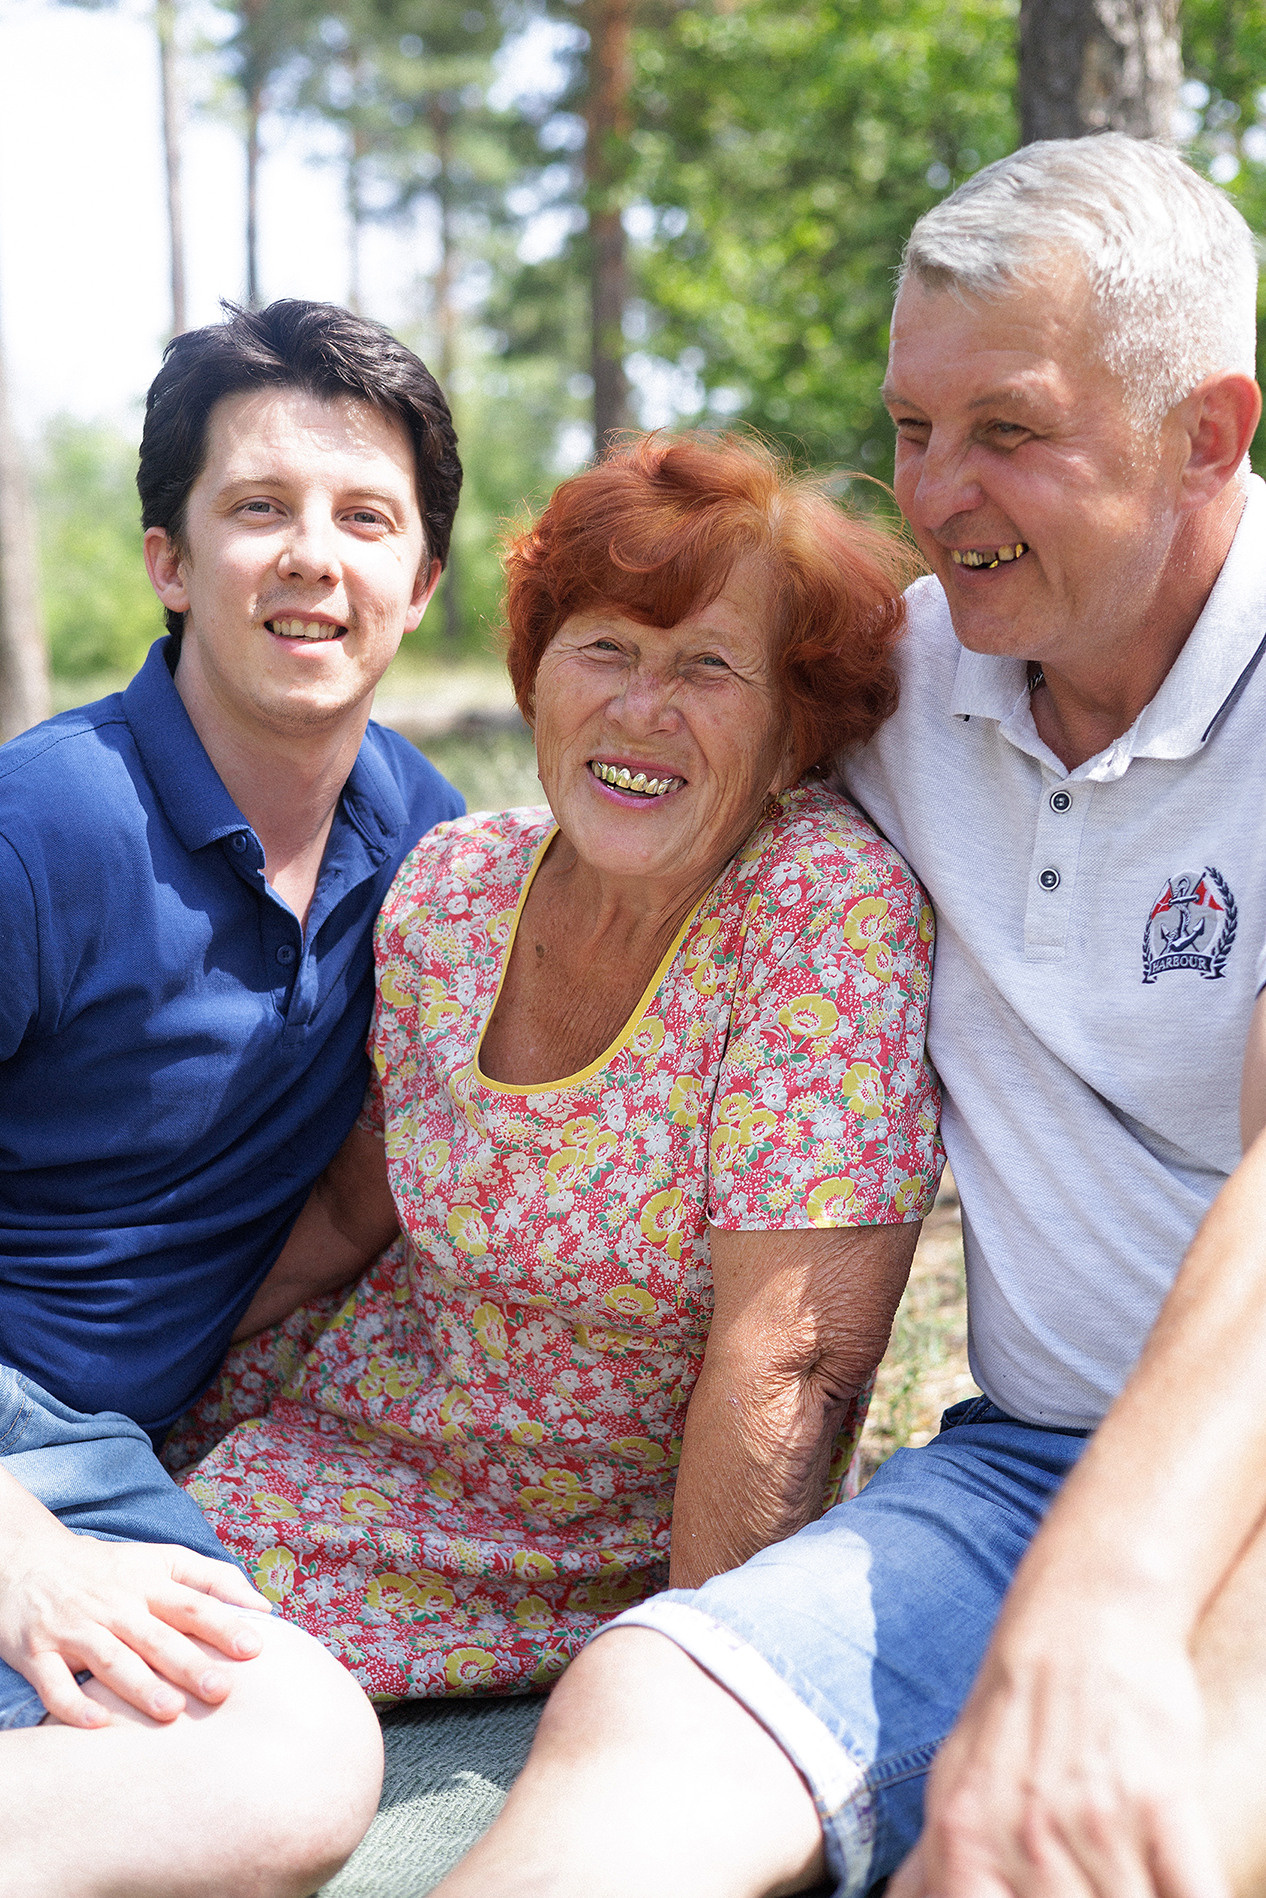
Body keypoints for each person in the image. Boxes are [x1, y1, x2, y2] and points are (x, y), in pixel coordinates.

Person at [424, 135, 1266, 1898]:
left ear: (1208, 431)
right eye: (910, 427)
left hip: (1200, 1510)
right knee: (639, 1704)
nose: (938, 493)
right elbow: (642, 756)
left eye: (1007, 430)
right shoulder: (910, 673)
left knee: (1033, 1850)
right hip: (1029, 1466)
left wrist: (1105, 1602)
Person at [166, 432, 943, 1704]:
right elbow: (357, 1205)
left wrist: (697, 1703)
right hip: (344, 1446)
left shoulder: (819, 908)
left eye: (709, 665)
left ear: (799, 723)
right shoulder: (454, 887)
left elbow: (791, 1359)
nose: (643, 709)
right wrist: (138, 1378)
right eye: (605, 648)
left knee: (157, 1695)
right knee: (84, 1605)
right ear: (539, 674)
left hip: (604, 1551)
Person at [0, 299, 465, 1897]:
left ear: (422, 582)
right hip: (14, 1458)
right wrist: (17, 1544)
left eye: (363, 517)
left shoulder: (429, 850)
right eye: (257, 507)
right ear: (170, 560)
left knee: (279, 1761)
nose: (309, 557)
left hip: (102, 1453)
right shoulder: (43, 828)